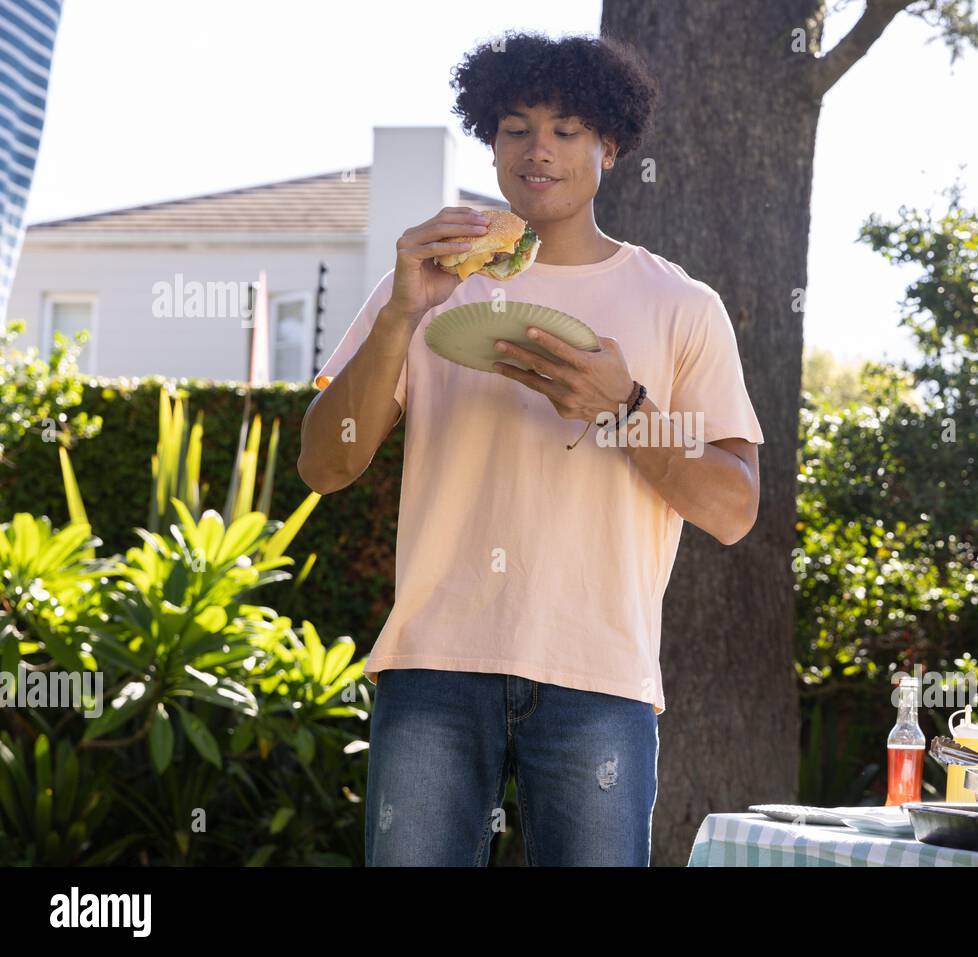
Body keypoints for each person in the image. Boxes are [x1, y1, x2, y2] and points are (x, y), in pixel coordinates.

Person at [298, 32, 764, 866]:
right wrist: (402, 315)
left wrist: (623, 409)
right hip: (433, 665)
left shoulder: (683, 305)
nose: (537, 148)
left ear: (609, 146)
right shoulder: (425, 282)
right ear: (491, 140)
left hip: (601, 679)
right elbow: (325, 464)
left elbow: (733, 508)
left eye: (566, 128)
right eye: (515, 127)